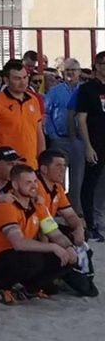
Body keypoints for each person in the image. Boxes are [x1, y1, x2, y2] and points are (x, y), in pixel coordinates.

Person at [0, 165, 77, 304]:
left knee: (70, 257)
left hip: (19, 257)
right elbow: (18, 243)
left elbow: (54, 233)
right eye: (28, 182)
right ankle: (4, 288)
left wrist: (69, 247)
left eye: (35, 181)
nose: (34, 186)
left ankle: (31, 289)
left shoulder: (38, 205)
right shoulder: (6, 207)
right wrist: (54, 247)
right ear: (14, 184)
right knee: (34, 259)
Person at [0, 59, 45, 168]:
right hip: (6, 165)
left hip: (31, 165)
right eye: (17, 78)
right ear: (6, 80)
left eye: (25, 77)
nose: (23, 82)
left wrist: (41, 160)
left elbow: (39, 133)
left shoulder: (33, 100)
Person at [46, 57, 85, 208]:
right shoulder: (54, 91)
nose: (70, 73)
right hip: (59, 140)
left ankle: (75, 210)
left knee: (77, 179)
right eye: (67, 70)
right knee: (57, 178)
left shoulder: (85, 91)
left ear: (79, 72)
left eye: (73, 70)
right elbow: (46, 114)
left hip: (79, 140)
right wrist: (53, 135)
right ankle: (57, 209)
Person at [76, 50, 105, 241]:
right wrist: (88, 146)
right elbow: (81, 119)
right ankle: (90, 224)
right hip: (96, 143)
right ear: (96, 66)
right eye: (102, 63)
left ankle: (100, 220)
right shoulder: (87, 89)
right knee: (90, 184)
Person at [37, 149, 86, 246]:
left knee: (82, 232)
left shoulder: (57, 187)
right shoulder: (34, 186)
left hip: (48, 227)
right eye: (58, 165)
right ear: (44, 169)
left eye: (64, 165)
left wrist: (79, 229)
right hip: (36, 231)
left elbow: (70, 215)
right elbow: (43, 225)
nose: (63, 169)